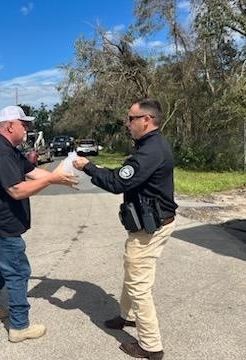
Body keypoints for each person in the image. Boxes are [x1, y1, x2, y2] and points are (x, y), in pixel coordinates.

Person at [73, 98, 177, 360]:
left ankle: (151, 347)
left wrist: (89, 167)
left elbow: (119, 181)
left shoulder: (150, 151)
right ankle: (126, 316)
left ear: (147, 120)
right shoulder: (150, 146)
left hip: (149, 229)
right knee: (134, 272)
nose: (127, 123)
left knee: (139, 284)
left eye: (131, 118)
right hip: (152, 224)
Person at [0, 105, 78, 343]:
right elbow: (17, 190)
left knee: (0, 263)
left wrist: (60, 177)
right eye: (24, 125)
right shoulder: (0, 151)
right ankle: (20, 326)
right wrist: (52, 178)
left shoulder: (8, 149)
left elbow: (32, 172)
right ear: (10, 126)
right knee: (18, 270)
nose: (27, 129)